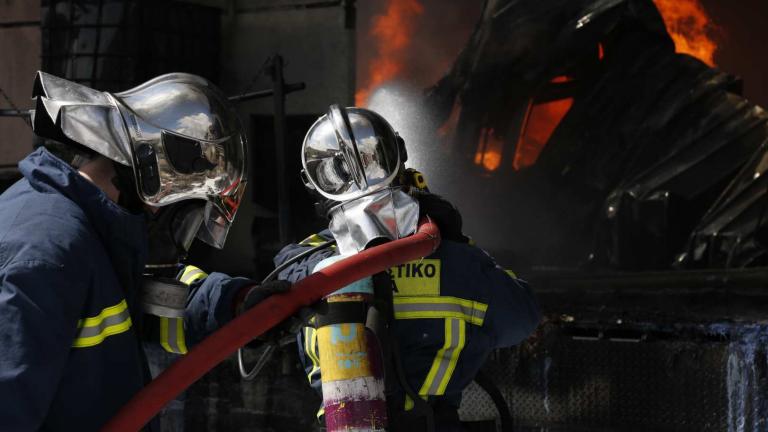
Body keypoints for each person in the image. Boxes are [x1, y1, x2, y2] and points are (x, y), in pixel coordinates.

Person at [0, 71, 287, 431]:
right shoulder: (45, 252)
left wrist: (236, 305)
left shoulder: (92, 236)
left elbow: (150, 304)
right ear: (154, 178)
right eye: (183, 209)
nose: (163, 219)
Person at [275, 105, 541, 431]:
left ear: (315, 184)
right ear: (398, 156)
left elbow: (274, 294)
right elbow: (523, 317)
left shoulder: (304, 267)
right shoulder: (458, 264)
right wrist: (457, 244)